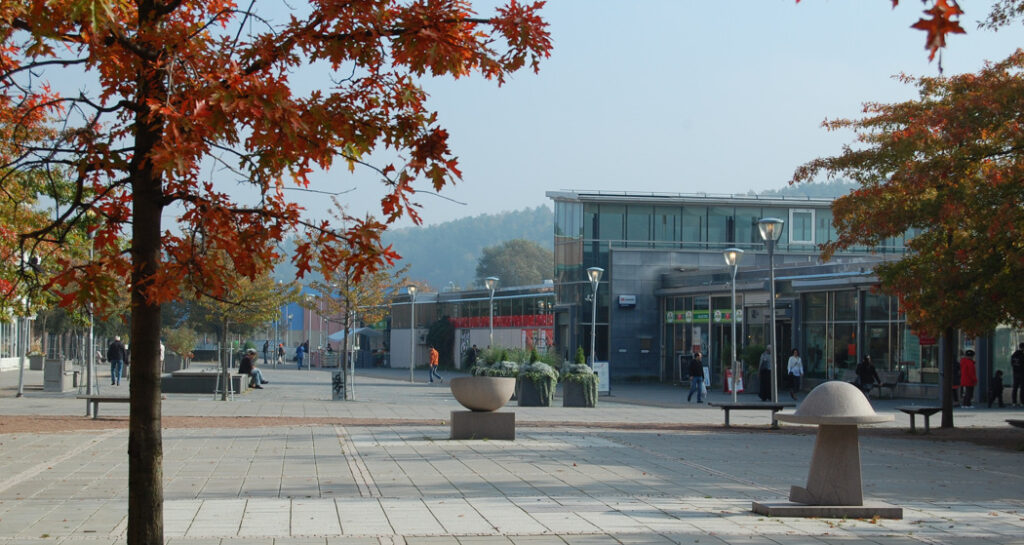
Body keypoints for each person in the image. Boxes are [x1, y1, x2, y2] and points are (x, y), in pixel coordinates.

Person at [1012, 343, 1024, 407]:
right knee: (1022, 388)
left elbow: (1012, 364)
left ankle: (1014, 402)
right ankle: (1022, 402)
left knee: (1015, 388)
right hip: (1022, 373)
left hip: (1015, 373)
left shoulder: (1013, 355)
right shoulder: (1022, 355)